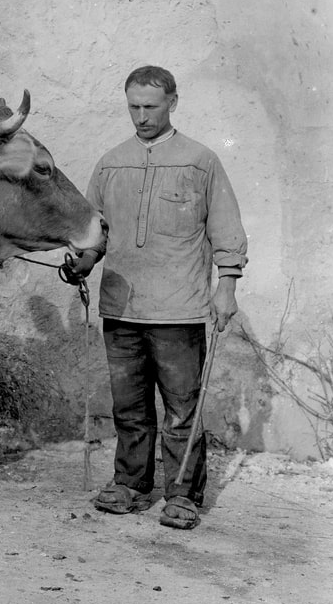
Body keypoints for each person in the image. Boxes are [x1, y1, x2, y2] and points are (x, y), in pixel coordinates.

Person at [64, 65, 247, 530]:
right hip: (121, 308)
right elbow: (93, 234)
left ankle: (183, 495)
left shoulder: (201, 161)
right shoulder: (110, 162)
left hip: (179, 309)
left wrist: (226, 285)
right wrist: (82, 264)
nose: (141, 116)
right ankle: (129, 484)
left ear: (173, 103)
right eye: (134, 107)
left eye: (151, 106)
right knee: (129, 407)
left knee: (183, 409)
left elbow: (225, 229)